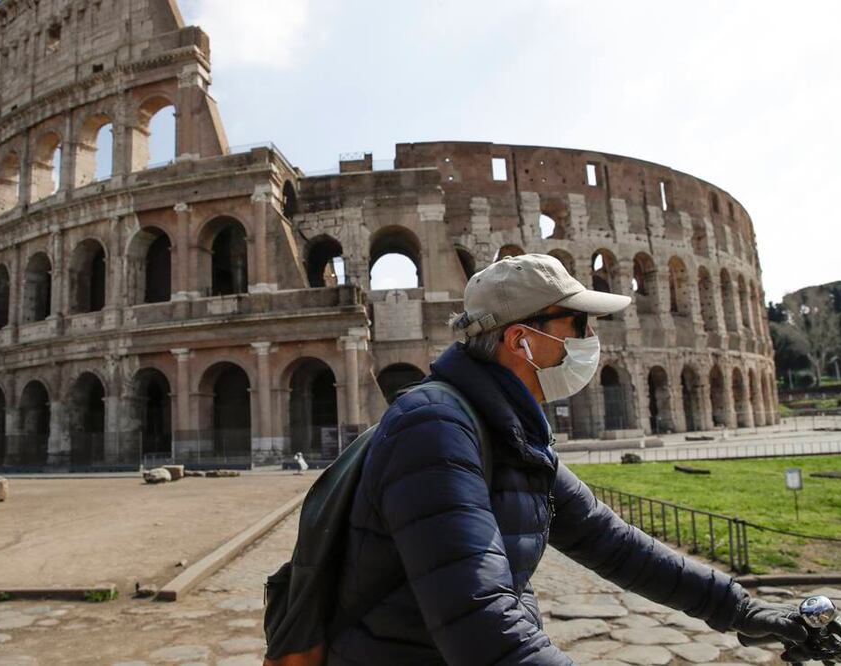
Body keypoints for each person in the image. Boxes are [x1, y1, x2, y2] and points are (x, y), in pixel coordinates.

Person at [327, 254, 806, 664]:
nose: (590, 335)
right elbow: (478, 616)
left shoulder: (506, 426)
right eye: (576, 323)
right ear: (522, 341)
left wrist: (738, 608)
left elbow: (609, 540)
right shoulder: (435, 429)